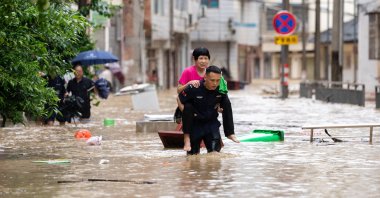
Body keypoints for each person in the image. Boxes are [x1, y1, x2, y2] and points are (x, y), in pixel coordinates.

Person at [177, 65, 240, 155]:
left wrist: (220, 108)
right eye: (212, 80)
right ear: (205, 77)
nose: (215, 83)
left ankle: (230, 133)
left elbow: (225, 107)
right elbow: (179, 98)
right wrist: (185, 112)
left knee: (215, 155)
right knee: (192, 157)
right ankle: (187, 138)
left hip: (211, 124)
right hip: (195, 124)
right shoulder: (195, 87)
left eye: (218, 80)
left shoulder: (220, 89)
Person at [176, 47, 211, 151]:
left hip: (205, 104)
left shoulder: (210, 72)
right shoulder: (188, 72)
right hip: (189, 104)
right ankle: (186, 139)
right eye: (201, 58)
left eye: (206, 58)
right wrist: (188, 83)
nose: (203, 61)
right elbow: (178, 90)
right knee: (188, 108)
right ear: (195, 60)